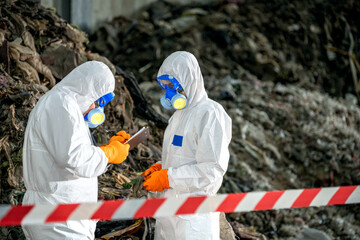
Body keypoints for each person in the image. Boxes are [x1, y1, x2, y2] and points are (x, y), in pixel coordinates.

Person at [21, 61, 130, 239]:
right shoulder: (60, 103)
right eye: (97, 101)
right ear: (86, 91)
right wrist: (108, 153)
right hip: (57, 218)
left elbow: (73, 152)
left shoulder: (66, 106)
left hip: (62, 216)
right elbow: (73, 157)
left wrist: (107, 149)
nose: (96, 108)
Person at [142, 51, 232, 240]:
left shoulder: (210, 113)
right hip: (169, 215)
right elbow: (184, 156)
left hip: (194, 219)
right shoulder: (178, 116)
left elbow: (211, 170)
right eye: (165, 86)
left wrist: (168, 177)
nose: (169, 93)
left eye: (173, 86)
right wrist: (162, 167)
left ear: (189, 80)